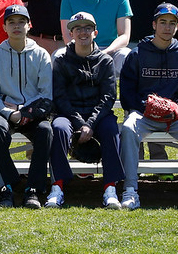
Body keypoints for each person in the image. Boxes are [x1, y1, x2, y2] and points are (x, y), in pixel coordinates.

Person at [117, 3, 178, 212]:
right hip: (144, 114)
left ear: (177, 27)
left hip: (176, 116)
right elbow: (127, 93)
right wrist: (145, 106)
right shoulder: (137, 53)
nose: (167, 27)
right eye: (163, 22)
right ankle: (130, 190)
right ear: (154, 25)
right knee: (128, 129)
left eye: (172, 24)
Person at [49, 12, 123, 209]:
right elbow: (60, 98)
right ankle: (57, 187)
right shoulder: (62, 60)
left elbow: (108, 97)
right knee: (58, 128)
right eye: (78, 28)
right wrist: (80, 124)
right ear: (71, 33)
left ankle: (110, 188)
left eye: (87, 28)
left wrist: (90, 124)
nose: (83, 32)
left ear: (95, 32)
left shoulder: (105, 61)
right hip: (69, 114)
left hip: (98, 115)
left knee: (111, 130)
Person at [0, 5, 54, 209]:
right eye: (12, 22)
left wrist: (24, 112)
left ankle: (33, 189)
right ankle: (7, 185)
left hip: (33, 113)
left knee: (45, 130)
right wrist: (10, 113)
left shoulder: (41, 55)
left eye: (21, 22)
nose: (17, 26)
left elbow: (46, 94)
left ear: (29, 25)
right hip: (5, 113)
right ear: (4, 26)